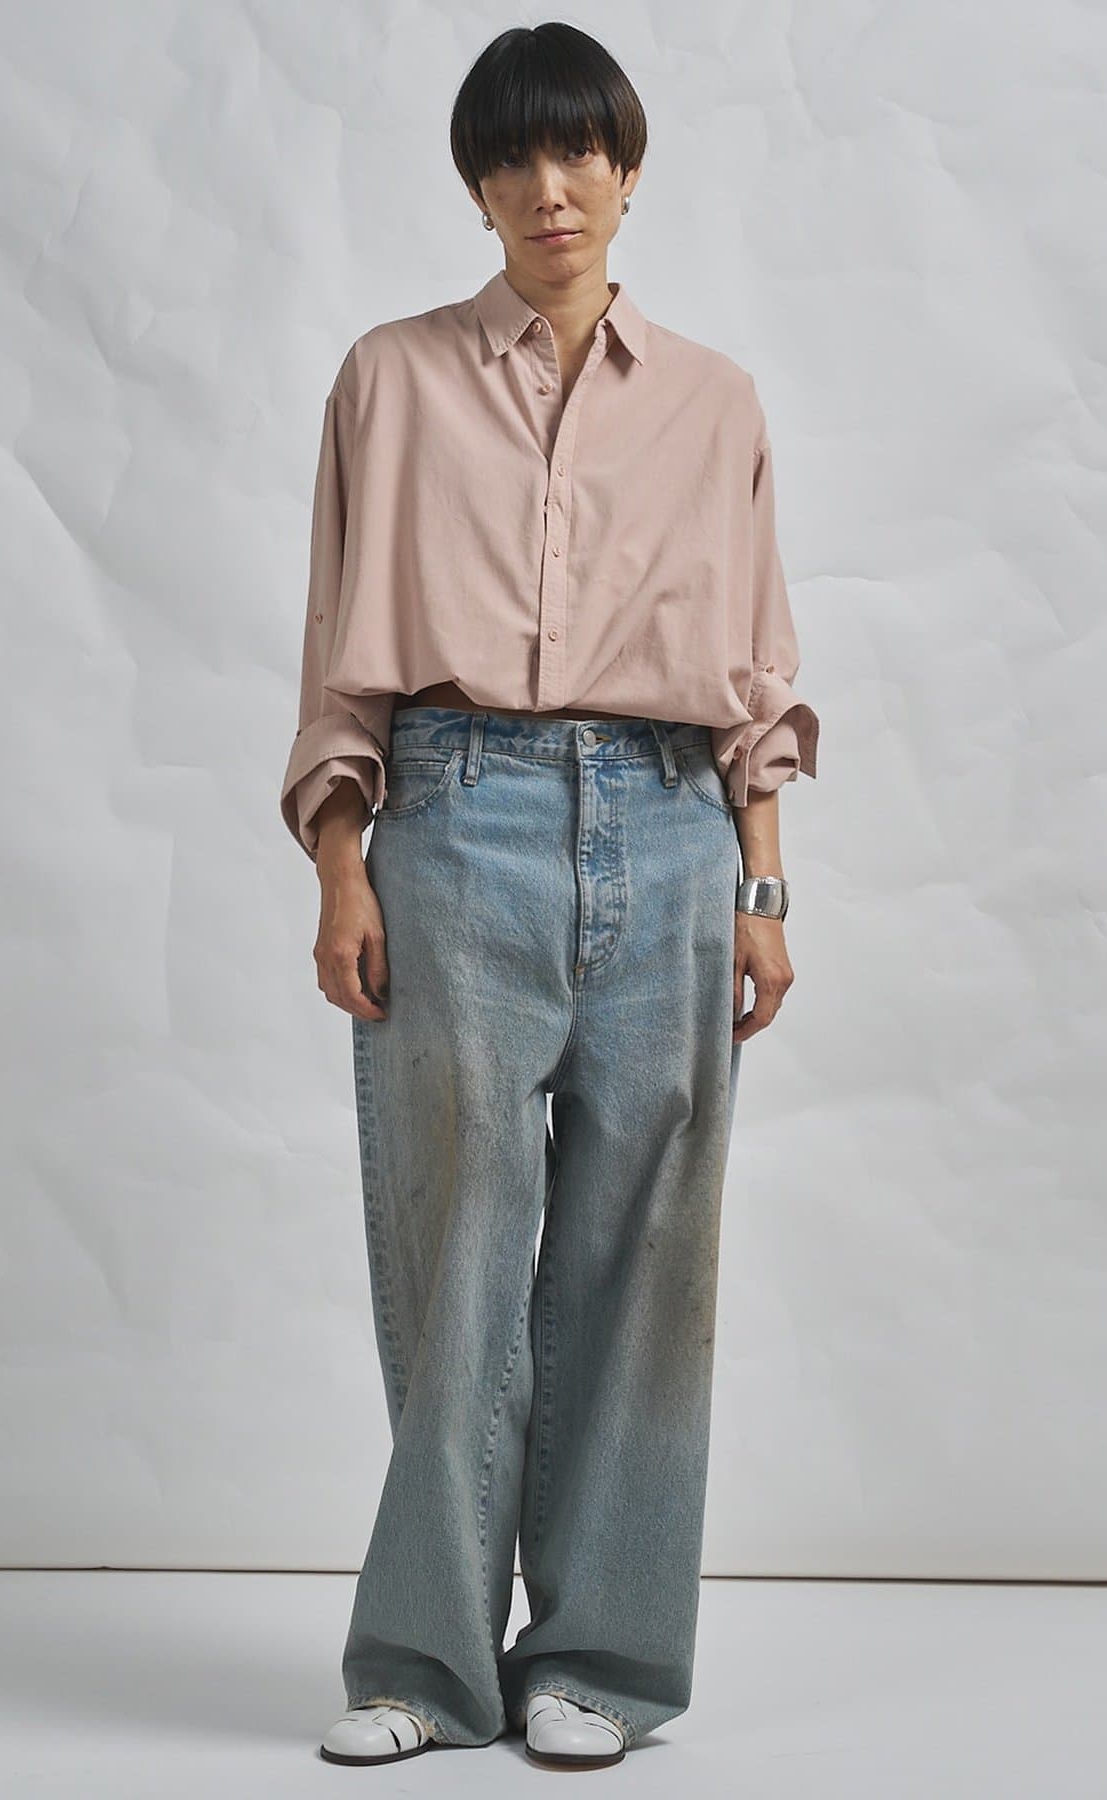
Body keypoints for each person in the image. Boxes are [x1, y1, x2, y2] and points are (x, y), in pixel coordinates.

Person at [282, 22, 820, 1771]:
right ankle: (426, 1668)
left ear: (629, 169)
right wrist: (343, 861)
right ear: (476, 186)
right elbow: (339, 652)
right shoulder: (391, 378)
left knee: (643, 1258)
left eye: (578, 151)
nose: (548, 188)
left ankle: (603, 1658)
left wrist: (762, 882)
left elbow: (758, 669)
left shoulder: (716, 400)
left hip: (672, 830)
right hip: (456, 818)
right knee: (454, 1251)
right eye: (511, 159)